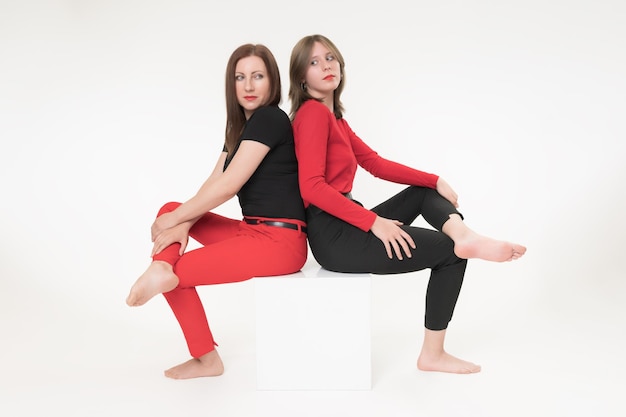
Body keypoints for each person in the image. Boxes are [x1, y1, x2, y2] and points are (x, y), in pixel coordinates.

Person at [288, 34, 526, 374]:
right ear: (301, 76)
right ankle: (433, 355)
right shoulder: (312, 115)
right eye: (314, 62)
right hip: (334, 237)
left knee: (422, 193)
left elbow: (374, 162)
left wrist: (434, 179)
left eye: (330, 58)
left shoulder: (334, 118)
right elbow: (311, 188)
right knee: (449, 254)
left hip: (345, 223)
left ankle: (464, 234)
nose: (326, 65)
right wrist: (374, 223)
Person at [126, 43, 308, 380]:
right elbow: (213, 182)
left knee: (177, 264)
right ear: (231, 83)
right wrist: (180, 220)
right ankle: (161, 268)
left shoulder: (270, 118)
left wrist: (175, 223)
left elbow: (228, 187)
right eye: (240, 77)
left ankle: (207, 359)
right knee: (172, 207)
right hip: (252, 230)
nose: (249, 86)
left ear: (272, 82)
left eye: (258, 76)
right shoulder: (241, 128)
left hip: (281, 244)